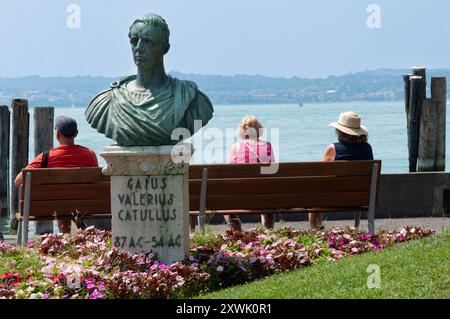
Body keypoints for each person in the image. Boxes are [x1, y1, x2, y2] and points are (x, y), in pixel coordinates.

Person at [85, 13, 214, 146]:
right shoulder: (108, 102)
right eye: (134, 41)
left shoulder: (192, 100)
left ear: (165, 48)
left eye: (148, 41)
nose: (139, 48)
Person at [14, 116, 98, 233]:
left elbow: (18, 181)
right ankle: (74, 237)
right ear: (76, 133)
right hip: (85, 205)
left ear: (57, 134)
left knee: (62, 204)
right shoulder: (90, 154)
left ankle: (65, 237)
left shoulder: (46, 157)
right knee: (70, 201)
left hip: (53, 207)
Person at [309, 111, 374, 229]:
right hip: (361, 198)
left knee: (314, 196)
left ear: (340, 131)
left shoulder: (333, 149)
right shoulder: (367, 149)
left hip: (334, 199)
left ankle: (316, 232)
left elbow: (319, 175)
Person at [226, 115, 276, 231]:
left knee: (226, 206)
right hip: (266, 197)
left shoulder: (236, 147)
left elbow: (229, 174)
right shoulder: (268, 146)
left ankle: (237, 233)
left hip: (241, 197)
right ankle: (268, 233)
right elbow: (272, 173)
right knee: (267, 194)